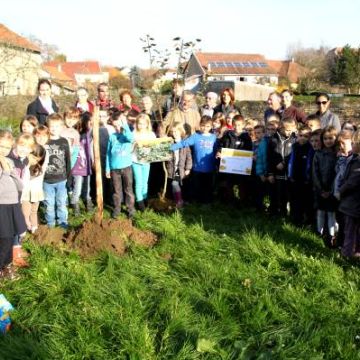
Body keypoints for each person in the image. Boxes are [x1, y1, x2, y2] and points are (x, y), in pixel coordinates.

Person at [171, 116, 217, 203]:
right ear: (200, 125)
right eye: (203, 125)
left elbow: (216, 151)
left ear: (211, 127)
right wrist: (172, 147)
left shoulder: (214, 138)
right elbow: (185, 143)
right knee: (197, 186)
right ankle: (196, 201)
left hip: (209, 168)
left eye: (207, 126)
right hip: (197, 168)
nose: (205, 128)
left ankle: (207, 202)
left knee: (207, 186)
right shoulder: (196, 136)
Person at [0, 130, 27, 276]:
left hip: (12, 204)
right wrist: (5, 171)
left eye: (7, 147)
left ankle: (7, 265)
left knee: (10, 236)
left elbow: (19, 185)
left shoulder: (9, 161)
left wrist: (10, 172)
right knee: (3, 238)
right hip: (2, 206)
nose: (4, 150)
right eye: (1, 146)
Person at [43, 113, 71, 229]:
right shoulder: (45, 141)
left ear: (61, 127)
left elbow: (68, 161)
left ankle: (63, 222)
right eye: (52, 126)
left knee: (61, 203)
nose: (54, 129)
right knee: (49, 204)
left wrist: (69, 178)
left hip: (61, 180)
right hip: (47, 180)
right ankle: (50, 224)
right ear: (48, 127)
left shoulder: (64, 141)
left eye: (57, 126)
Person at [105, 111, 135, 219]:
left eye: (119, 125)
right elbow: (108, 153)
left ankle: (130, 209)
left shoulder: (127, 134)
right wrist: (108, 169)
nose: (117, 128)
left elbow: (131, 139)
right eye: (115, 125)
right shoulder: (112, 136)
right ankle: (117, 208)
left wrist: (124, 124)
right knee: (117, 190)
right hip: (114, 169)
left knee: (128, 189)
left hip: (126, 167)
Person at [312, 126, 339, 246]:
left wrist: (331, 190)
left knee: (332, 213)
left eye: (331, 138)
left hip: (333, 190)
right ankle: (319, 233)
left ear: (336, 138)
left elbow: (338, 174)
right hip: (320, 189)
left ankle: (333, 235)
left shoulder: (337, 155)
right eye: (325, 138)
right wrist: (320, 189)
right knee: (321, 212)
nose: (328, 141)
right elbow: (315, 172)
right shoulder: (318, 154)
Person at [218, 115, 253, 204]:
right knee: (229, 183)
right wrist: (219, 152)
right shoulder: (227, 134)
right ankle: (230, 201)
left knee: (242, 184)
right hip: (229, 165)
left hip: (241, 166)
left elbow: (249, 150)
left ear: (243, 125)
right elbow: (221, 145)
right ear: (232, 124)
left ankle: (242, 202)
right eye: (235, 125)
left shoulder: (246, 137)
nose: (237, 127)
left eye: (239, 125)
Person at [267, 118, 297, 216]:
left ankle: (284, 213)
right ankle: (273, 212)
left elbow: (293, 154)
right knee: (274, 194)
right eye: (287, 130)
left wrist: (284, 163)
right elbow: (269, 157)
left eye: (291, 130)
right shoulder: (273, 139)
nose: (289, 132)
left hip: (288, 173)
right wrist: (270, 173)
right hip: (276, 173)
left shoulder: (294, 140)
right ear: (281, 128)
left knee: (286, 195)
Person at [338, 129, 360, 257]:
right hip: (354, 202)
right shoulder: (355, 158)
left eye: (354, 142)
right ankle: (356, 252)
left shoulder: (358, 163)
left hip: (353, 203)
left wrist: (340, 191)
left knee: (350, 230)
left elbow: (352, 182)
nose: (352, 144)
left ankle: (346, 254)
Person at [287, 126, 314, 225]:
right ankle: (295, 220)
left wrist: (308, 178)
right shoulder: (294, 147)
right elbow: (291, 162)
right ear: (297, 136)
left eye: (306, 136)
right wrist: (290, 175)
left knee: (306, 202)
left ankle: (307, 221)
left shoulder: (310, 149)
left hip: (306, 181)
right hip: (294, 179)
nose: (303, 138)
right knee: (295, 201)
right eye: (301, 135)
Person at [70, 112, 94, 215]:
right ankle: (75, 204)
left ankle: (88, 202)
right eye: (90, 122)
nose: (91, 124)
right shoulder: (76, 135)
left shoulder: (90, 134)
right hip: (77, 167)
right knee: (78, 187)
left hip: (87, 166)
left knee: (87, 188)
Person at [21, 144, 47, 234]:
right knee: (26, 212)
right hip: (27, 193)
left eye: (37, 159)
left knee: (33, 211)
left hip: (33, 192)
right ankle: (25, 229)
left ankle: (34, 228)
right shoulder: (24, 165)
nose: (35, 161)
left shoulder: (38, 167)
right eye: (33, 157)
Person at [132, 114, 156, 211]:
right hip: (136, 161)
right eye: (139, 124)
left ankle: (145, 199)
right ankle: (140, 202)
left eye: (143, 124)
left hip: (146, 161)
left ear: (147, 124)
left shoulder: (151, 134)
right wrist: (135, 143)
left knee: (145, 182)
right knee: (138, 182)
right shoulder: (134, 133)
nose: (141, 126)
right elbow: (130, 147)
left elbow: (154, 147)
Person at [166, 122, 192, 208]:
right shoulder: (170, 142)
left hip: (180, 169)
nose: (174, 134)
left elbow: (189, 157)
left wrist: (188, 168)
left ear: (181, 132)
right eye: (173, 132)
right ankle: (177, 200)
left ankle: (179, 201)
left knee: (174, 184)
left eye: (176, 131)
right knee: (174, 185)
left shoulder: (184, 143)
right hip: (172, 168)